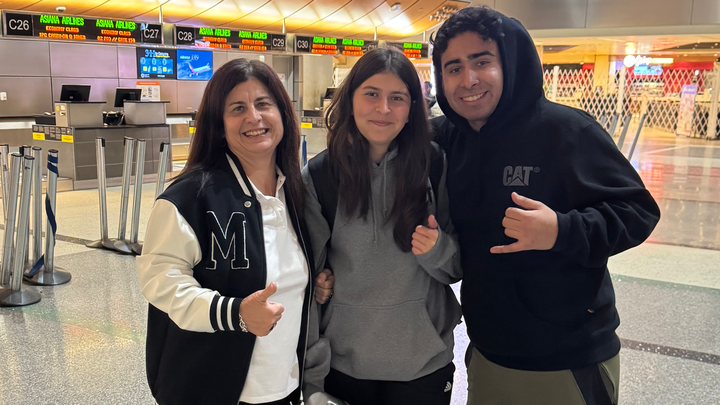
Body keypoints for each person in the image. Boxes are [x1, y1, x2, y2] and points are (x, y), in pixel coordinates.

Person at [430, 7, 661, 405]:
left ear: (511, 63)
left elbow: (638, 210)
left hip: (566, 359)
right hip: (488, 352)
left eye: (482, 62)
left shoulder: (566, 131)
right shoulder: (450, 137)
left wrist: (561, 230)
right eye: (454, 68)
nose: (468, 80)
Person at [136, 58, 329, 405]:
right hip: (209, 390)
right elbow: (162, 283)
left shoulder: (297, 194)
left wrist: (315, 282)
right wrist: (235, 313)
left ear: (283, 114)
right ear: (218, 124)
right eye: (238, 108)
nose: (254, 117)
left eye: (264, 104)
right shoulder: (189, 198)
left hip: (283, 387)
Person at [302, 47, 462, 405]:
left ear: (412, 109)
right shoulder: (321, 175)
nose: (384, 109)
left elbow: (457, 269)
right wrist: (318, 287)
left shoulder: (434, 166)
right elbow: (308, 279)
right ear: (351, 99)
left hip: (422, 364)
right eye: (371, 94)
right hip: (344, 362)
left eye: (397, 98)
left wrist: (437, 249)